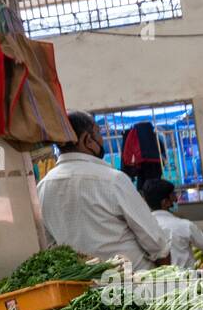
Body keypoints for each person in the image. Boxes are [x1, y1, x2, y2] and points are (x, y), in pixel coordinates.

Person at [37, 111, 170, 271]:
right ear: (87, 140)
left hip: (84, 288)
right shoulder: (112, 180)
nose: (102, 140)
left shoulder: (42, 188)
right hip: (135, 282)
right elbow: (154, 241)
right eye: (99, 133)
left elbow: (50, 245)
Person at [142, 179, 203, 268]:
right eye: (173, 196)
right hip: (187, 280)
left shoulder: (143, 227)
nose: (177, 199)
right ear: (165, 202)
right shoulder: (185, 226)